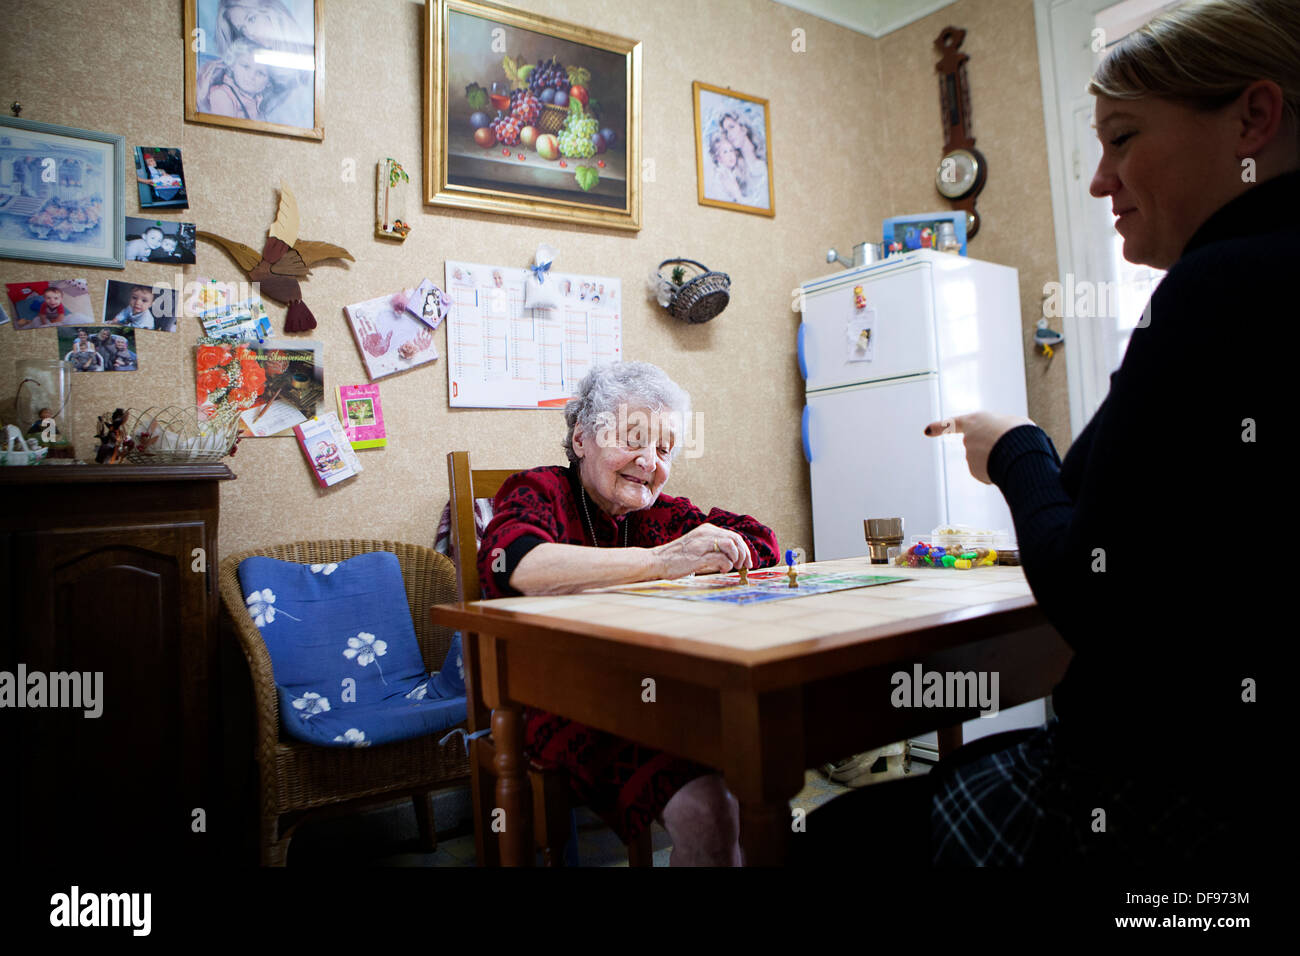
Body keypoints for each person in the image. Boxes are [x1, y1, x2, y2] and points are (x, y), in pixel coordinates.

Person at [793, 0, 1287, 867]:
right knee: (973, 754)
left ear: (1254, 115)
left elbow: (1093, 592)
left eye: (1124, 138)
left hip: (1172, 806)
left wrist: (1016, 446)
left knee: (829, 835)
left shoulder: (1224, 287)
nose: (1099, 181)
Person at [476, 361, 781, 865]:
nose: (649, 462)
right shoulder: (540, 490)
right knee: (711, 808)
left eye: (663, 450)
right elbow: (514, 564)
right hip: (562, 696)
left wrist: (712, 554)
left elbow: (761, 541)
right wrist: (664, 562)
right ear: (581, 439)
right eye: (632, 438)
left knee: (762, 768)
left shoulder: (661, 514)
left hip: (659, 687)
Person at [707, 130, 746, 204]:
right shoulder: (723, 175)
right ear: (718, 158)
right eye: (725, 152)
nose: (730, 155)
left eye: (731, 150)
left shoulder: (732, 173)